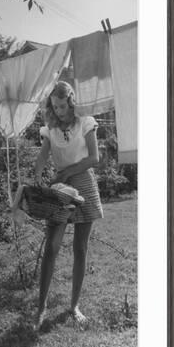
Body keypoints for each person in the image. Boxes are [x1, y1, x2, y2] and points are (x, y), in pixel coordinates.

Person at [33, 80, 103, 330]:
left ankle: (74, 306)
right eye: (55, 106)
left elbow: (94, 158)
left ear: (71, 102)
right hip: (60, 189)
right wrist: (38, 175)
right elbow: (43, 156)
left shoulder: (86, 121)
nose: (59, 111)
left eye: (63, 106)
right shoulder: (50, 128)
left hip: (83, 183)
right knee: (51, 247)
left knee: (80, 249)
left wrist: (67, 172)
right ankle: (41, 308)